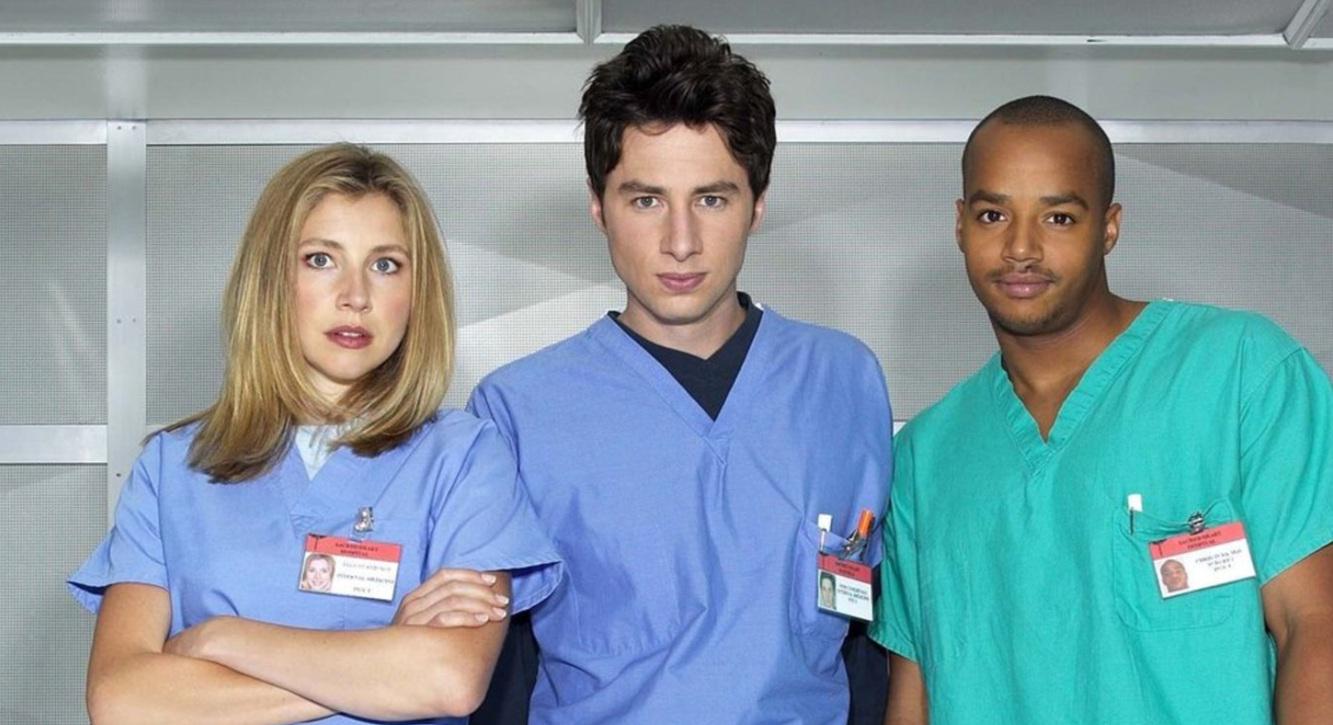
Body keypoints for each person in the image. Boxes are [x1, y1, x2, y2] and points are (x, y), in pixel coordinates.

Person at [467, 25, 893, 724]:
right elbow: (495, 677)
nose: (681, 241)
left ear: (757, 203)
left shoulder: (843, 383)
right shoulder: (517, 412)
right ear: (598, 207)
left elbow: (867, 643)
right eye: (646, 200)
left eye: (711, 199)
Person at [874, 95, 1333, 724]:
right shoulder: (925, 456)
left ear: (1109, 228)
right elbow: (915, 695)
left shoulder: (1241, 372)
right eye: (992, 215)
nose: (1020, 248)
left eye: (1059, 217)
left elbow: (1316, 624)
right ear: (960, 225)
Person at [68, 144, 562, 724]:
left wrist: (221, 639)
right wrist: (383, 659)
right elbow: (122, 701)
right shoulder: (174, 468)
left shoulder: (465, 457)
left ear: (417, 292)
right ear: (270, 278)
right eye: (321, 260)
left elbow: (448, 679)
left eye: (385, 265)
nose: (356, 296)